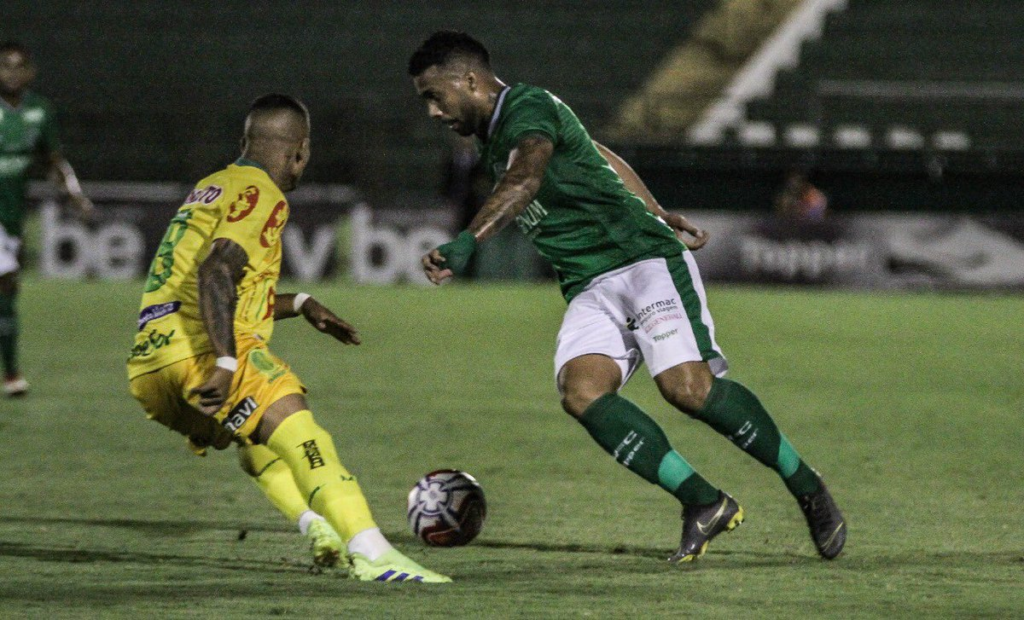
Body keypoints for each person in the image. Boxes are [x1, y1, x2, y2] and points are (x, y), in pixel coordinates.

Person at [409, 31, 846, 563]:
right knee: (583, 392)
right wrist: (658, 205)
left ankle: (806, 484)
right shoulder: (494, 132)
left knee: (688, 390)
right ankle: (703, 501)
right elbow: (599, 155)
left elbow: (524, 179)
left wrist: (467, 241)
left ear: (470, 80)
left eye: (435, 95)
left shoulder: (525, 107)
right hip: (590, 283)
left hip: (641, 261)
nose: (433, 111)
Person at [127, 93, 450, 583]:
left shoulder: (212, 186)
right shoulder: (262, 194)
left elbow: (222, 284)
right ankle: (375, 554)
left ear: (245, 142)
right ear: (299, 153)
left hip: (152, 370)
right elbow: (216, 273)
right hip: (202, 355)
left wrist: (300, 303)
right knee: (305, 436)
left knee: (257, 442)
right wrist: (226, 363)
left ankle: (321, 528)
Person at [0, 41, 94, 397]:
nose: (10, 72)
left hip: (10, 215)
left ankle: (10, 372)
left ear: (29, 72)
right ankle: (12, 375)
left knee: (8, 292)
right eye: (3, 65)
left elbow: (53, 160)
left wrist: (75, 195)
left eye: (17, 66)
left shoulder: (39, 111)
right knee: (6, 278)